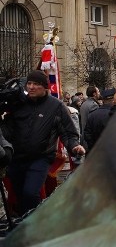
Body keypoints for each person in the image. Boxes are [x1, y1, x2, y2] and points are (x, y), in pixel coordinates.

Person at [3, 70, 84, 215]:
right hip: (17, 159)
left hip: (40, 158)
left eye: (36, 84)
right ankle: (24, 228)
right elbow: (8, 130)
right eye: (29, 83)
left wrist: (74, 146)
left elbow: (68, 132)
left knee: (31, 193)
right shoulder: (19, 104)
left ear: (45, 87)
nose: (31, 87)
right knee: (20, 195)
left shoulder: (56, 106)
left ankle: (34, 227)